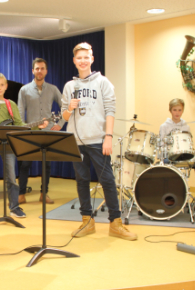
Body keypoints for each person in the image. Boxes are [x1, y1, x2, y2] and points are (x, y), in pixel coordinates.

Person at [61, 42, 137, 241]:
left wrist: (108, 137)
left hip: (97, 140)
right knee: (82, 181)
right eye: (79, 58)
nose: (83, 61)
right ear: (74, 61)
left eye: (86, 57)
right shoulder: (70, 86)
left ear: (92, 59)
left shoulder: (103, 82)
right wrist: (69, 107)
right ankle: (87, 220)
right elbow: (65, 117)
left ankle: (116, 223)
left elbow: (111, 110)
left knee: (108, 182)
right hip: (76, 142)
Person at [0, 73, 48, 221]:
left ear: (6, 86)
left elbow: (21, 125)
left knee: (12, 178)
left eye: (2, 85)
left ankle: (14, 207)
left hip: (9, 145)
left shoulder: (11, 104)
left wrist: (38, 126)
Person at [17, 58, 65, 205]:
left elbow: (66, 106)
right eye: (37, 68)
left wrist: (61, 124)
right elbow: (19, 112)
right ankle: (21, 194)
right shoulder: (24, 90)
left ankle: (44, 194)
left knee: (47, 164)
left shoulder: (53, 89)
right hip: (30, 132)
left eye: (42, 68)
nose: (39, 71)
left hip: (48, 131)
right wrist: (23, 128)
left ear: (46, 71)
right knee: (25, 163)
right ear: (33, 71)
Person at [158, 98, 195, 203]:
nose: (177, 113)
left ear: (182, 110)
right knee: (163, 164)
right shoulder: (164, 126)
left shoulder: (186, 126)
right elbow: (161, 145)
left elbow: (188, 144)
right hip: (170, 156)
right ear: (170, 110)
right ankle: (168, 195)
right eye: (175, 110)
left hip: (183, 155)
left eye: (179, 110)